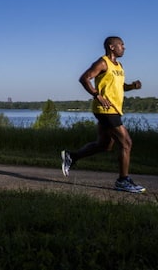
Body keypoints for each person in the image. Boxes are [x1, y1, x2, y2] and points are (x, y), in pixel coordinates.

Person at [60, 36, 146, 193]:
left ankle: (72, 157)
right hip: (106, 110)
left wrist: (132, 86)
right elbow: (84, 78)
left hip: (114, 110)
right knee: (126, 143)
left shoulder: (119, 66)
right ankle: (123, 181)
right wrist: (97, 96)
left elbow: (120, 87)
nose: (124, 47)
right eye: (121, 45)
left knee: (104, 145)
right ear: (112, 47)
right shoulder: (102, 62)